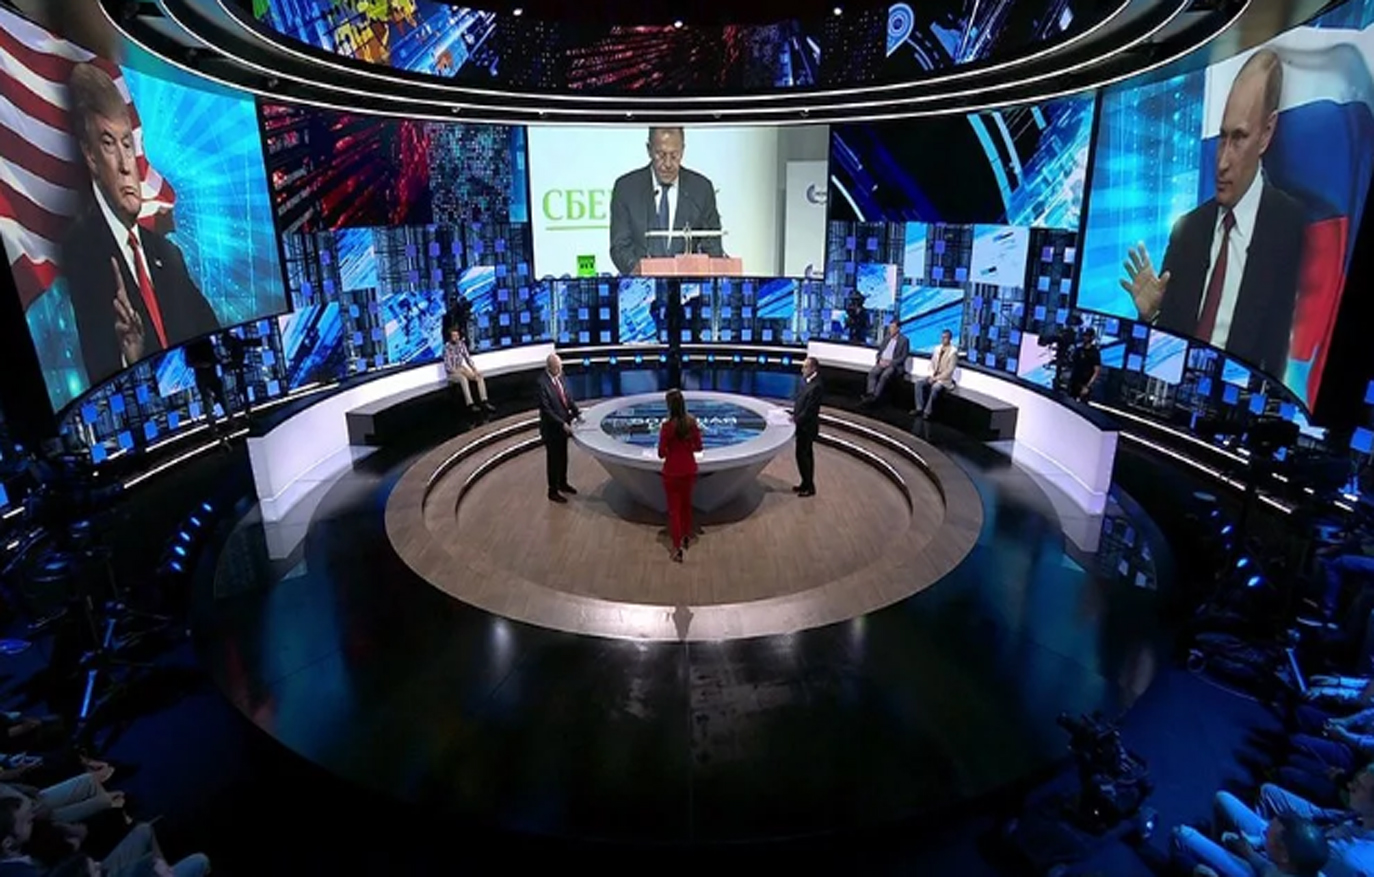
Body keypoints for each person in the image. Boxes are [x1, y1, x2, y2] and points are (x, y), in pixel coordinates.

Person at [1119, 49, 1306, 375]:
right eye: (1222, 137)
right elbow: (1163, 356)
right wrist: (1152, 317)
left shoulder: (1289, 226)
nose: (1222, 162)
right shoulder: (1187, 231)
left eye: (1239, 138)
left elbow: (1279, 358)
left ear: (1266, 133)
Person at [61, 63, 219, 387]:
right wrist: (130, 361)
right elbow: (100, 370)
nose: (125, 166)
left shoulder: (168, 255)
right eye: (108, 144)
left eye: (127, 144)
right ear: (90, 155)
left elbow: (212, 337)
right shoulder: (82, 252)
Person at [609, 127, 724, 275]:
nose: (668, 164)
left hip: (689, 286)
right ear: (649, 150)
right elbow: (619, 246)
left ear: (683, 150)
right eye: (661, 155)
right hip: (643, 285)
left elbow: (713, 246)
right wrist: (641, 271)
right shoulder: (626, 188)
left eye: (674, 155)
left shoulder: (701, 189)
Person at [657, 389, 702, 564]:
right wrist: (687, 447)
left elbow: (661, 453)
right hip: (689, 470)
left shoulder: (667, 427)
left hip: (672, 472)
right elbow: (699, 447)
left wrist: (671, 449)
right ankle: (686, 536)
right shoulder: (692, 423)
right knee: (686, 506)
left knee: (674, 511)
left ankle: (676, 548)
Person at [537, 354, 580, 504]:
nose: (561, 370)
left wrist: (577, 413)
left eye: (561, 367)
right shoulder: (542, 383)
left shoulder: (561, 376)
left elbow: (567, 398)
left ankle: (563, 483)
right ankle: (553, 491)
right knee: (553, 461)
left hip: (563, 426)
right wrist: (562, 423)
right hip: (552, 429)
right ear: (551, 367)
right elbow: (546, 410)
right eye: (558, 368)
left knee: (563, 457)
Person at [443, 327, 494, 417]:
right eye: (454, 336)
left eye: (457, 335)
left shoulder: (461, 344)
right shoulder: (447, 347)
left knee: (479, 377)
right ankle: (470, 404)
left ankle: (484, 401)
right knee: (463, 378)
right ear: (450, 337)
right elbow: (448, 366)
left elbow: (467, 358)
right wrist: (457, 371)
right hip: (451, 372)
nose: (456, 338)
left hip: (461, 368)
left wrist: (474, 369)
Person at [791, 357, 823, 498]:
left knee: (804, 457)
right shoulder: (807, 382)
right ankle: (805, 483)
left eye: (805, 367)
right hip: (803, 426)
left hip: (807, 428)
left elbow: (810, 410)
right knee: (803, 456)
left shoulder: (817, 386)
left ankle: (809, 487)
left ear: (813, 368)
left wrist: (796, 420)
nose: (802, 370)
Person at [183, 336, 228, 433]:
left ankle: (230, 420)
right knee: (208, 402)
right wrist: (202, 364)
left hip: (212, 376)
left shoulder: (207, 341)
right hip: (203, 379)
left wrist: (218, 361)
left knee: (222, 398)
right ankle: (212, 426)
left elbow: (213, 356)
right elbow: (188, 363)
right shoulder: (190, 344)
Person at [862, 320, 910, 406]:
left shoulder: (904, 340)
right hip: (882, 362)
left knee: (885, 375)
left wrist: (890, 363)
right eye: (890, 327)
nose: (890, 329)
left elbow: (903, 357)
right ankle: (870, 393)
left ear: (898, 329)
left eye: (893, 327)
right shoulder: (886, 338)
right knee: (873, 373)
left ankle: (875, 397)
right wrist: (880, 359)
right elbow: (879, 353)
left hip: (893, 365)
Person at [914, 329, 958, 419]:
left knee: (935, 388)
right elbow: (932, 364)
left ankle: (927, 412)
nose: (943, 339)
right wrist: (931, 375)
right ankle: (919, 408)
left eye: (945, 338)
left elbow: (949, 371)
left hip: (944, 379)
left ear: (949, 339)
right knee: (919, 383)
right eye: (942, 337)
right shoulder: (937, 348)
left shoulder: (953, 352)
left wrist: (936, 378)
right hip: (933, 375)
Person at [1069, 327, 1101, 401]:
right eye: (1085, 335)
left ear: (1091, 338)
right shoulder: (1079, 349)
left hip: (1084, 384)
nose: (1085, 337)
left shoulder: (1094, 352)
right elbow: (1072, 363)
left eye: (1087, 336)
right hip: (1074, 382)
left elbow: (1096, 371)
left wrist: (1087, 386)